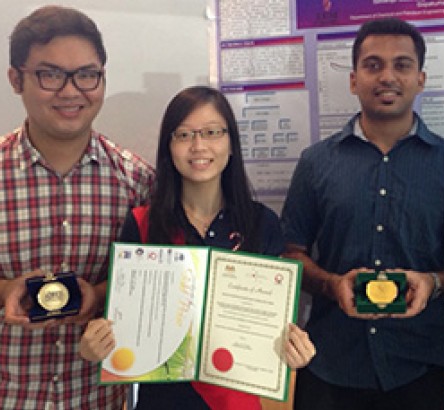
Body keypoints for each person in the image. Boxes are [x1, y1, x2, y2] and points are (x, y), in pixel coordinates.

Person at [0, 6, 155, 409]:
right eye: (50, 75)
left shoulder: (137, 182)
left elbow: (148, 279)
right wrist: (1, 290)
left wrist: (98, 295)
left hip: (93, 398)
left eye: (87, 75)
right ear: (15, 79)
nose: (71, 92)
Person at [281, 17, 444, 410]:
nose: (387, 76)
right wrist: (331, 285)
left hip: (419, 369)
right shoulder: (316, 163)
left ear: (421, 79)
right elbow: (290, 252)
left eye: (402, 65)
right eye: (373, 65)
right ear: (354, 79)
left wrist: (434, 283)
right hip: (328, 365)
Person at [78, 85, 316, 410]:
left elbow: (272, 329)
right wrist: (97, 345)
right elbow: (123, 326)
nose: (199, 146)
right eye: (184, 135)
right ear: (169, 147)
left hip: (239, 401)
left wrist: (292, 349)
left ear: (231, 142)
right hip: (163, 401)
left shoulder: (263, 224)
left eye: (212, 132)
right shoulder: (142, 224)